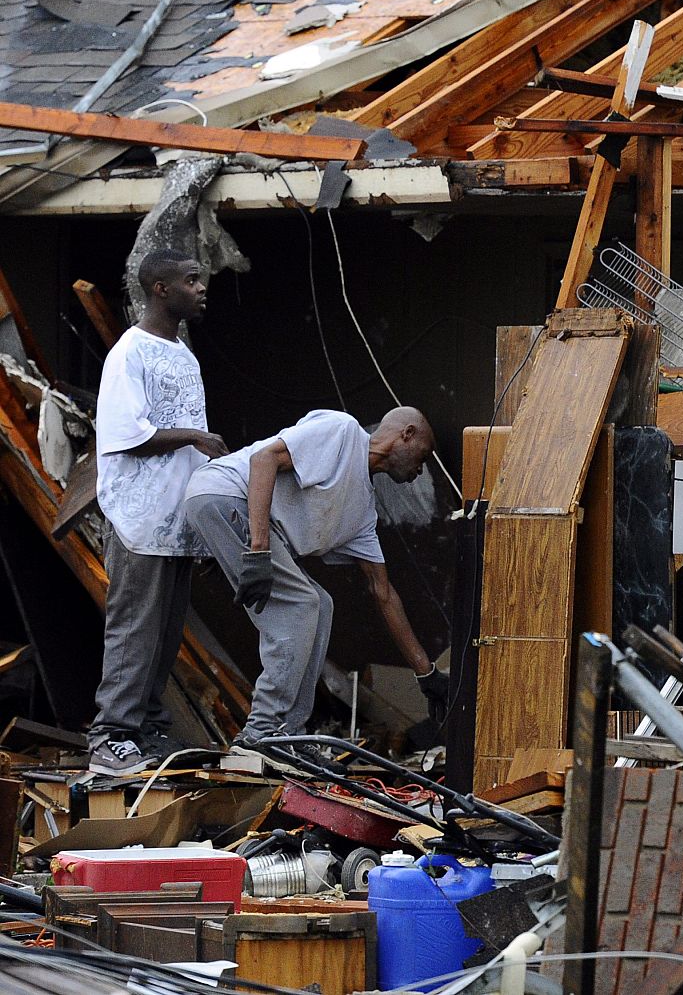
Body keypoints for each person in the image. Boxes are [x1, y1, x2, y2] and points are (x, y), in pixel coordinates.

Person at [182, 406, 447, 770]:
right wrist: (258, 550)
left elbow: (383, 592)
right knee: (301, 604)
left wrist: (426, 673)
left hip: (244, 515)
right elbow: (264, 458)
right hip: (224, 493)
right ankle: (260, 733)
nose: (421, 468)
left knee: (320, 604)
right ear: (407, 434)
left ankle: (289, 735)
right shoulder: (342, 432)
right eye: (423, 455)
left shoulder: (361, 513)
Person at [89, 249, 228, 777]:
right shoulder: (130, 352)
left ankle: (144, 731)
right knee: (134, 632)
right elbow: (128, 436)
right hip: (139, 520)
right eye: (191, 280)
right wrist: (195, 436)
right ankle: (110, 736)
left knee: (165, 637)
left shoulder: (184, 354)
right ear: (160, 289)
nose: (201, 288)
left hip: (177, 523)